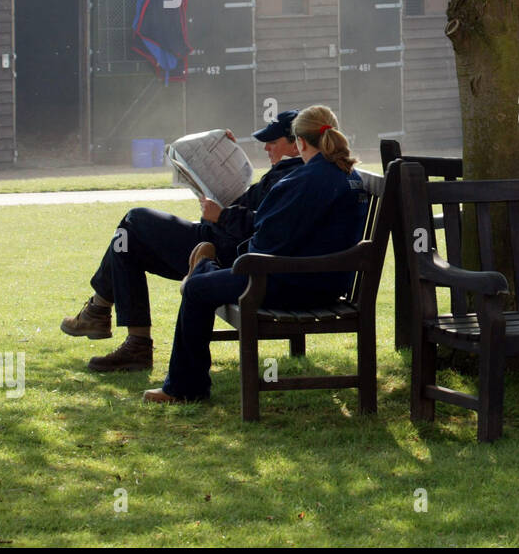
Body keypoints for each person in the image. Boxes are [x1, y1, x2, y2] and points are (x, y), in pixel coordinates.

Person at [144, 105, 369, 404]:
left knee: (197, 289)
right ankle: (205, 268)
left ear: (300, 142)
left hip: (294, 284)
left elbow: (265, 246)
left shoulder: (302, 182)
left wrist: (236, 257)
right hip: (330, 282)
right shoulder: (347, 175)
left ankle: (185, 387)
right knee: (209, 278)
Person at [60, 109, 303, 372]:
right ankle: (130, 341)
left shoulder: (292, 177)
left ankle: (105, 316)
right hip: (220, 243)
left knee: (134, 220)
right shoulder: (287, 172)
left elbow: (261, 225)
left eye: (273, 142)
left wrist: (221, 215)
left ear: (297, 142)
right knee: (127, 239)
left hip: (219, 252)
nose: (266, 148)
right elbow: (253, 209)